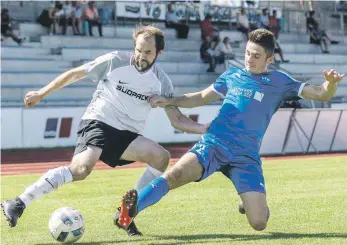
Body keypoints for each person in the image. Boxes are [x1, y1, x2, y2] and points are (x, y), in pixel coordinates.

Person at [115, 29, 345, 234]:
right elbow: (200, 98)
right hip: (214, 144)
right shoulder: (232, 76)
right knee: (174, 175)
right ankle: (128, 213)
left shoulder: (279, 81)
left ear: (269, 58)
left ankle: (249, 202)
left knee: (259, 223)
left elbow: (320, 94)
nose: (249, 59)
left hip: (245, 157)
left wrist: (330, 84)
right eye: (247, 53)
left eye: (256, 56)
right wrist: (169, 100)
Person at [1, 25, 208, 236]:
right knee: (81, 170)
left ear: (159, 53)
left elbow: (177, 119)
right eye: (138, 50)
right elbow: (75, 74)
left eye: (148, 52)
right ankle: (18, 203)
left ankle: (125, 215)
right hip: (98, 121)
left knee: (161, 158)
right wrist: (41, 93)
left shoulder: (162, 81)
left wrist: (203, 128)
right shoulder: (114, 61)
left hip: (126, 134)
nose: (141, 56)